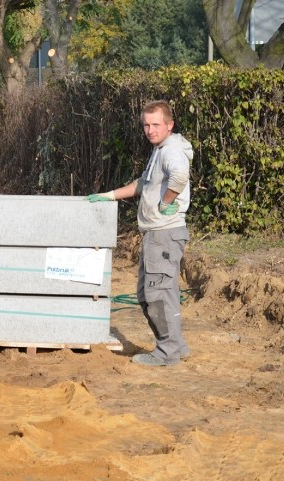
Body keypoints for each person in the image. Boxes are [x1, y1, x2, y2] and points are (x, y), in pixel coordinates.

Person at [86, 100, 192, 367]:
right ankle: (176, 346)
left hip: (164, 234)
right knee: (155, 293)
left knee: (155, 295)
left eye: (156, 124)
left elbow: (179, 176)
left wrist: (166, 203)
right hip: (158, 234)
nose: (150, 130)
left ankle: (167, 353)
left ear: (169, 125)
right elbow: (143, 184)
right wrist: (109, 195)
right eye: (146, 125)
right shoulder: (160, 150)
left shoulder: (170, 151)